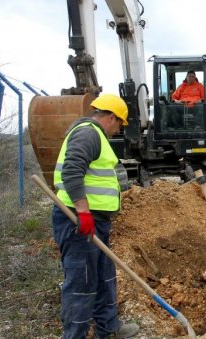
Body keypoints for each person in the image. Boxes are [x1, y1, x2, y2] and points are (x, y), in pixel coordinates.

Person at [51, 93, 139, 338]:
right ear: (111, 117)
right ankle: (75, 335)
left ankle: (108, 328)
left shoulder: (95, 135)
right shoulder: (88, 133)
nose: (119, 128)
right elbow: (72, 170)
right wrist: (83, 211)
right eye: (119, 122)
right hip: (77, 222)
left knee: (103, 276)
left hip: (95, 221)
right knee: (82, 282)